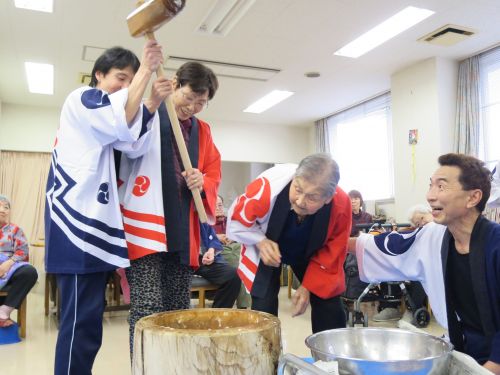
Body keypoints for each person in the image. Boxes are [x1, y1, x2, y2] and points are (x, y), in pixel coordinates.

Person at [44, 40, 172, 375]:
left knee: (89, 324)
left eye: (131, 79)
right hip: (75, 226)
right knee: (77, 325)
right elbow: (119, 119)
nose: (127, 86)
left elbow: (131, 142)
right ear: (98, 75)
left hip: (95, 227)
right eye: (120, 77)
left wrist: (154, 101)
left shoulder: (110, 112)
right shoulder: (83, 99)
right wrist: (145, 69)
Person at [351, 153, 500, 373]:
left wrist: (490, 368)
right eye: (431, 185)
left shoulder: (495, 244)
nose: (430, 196)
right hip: (462, 350)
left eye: (441, 187)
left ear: (473, 198)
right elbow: (388, 245)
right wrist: (331, 244)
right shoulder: (434, 236)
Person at [118, 61, 221, 355]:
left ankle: (173, 365)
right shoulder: (147, 113)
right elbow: (124, 146)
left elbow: (214, 173)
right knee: (148, 307)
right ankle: (143, 365)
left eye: (200, 102)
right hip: (146, 226)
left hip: (182, 228)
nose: (192, 106)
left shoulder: (203, 131)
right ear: (174, 84)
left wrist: (202, 180)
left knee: (177, 307)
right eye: (188, 97)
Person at [227, 153, 352, 333]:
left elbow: (334, 249)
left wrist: (309, 285)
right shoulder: (269, 187)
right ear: (294, 177)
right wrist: (260, 241)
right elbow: (237, 221)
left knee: (329, 303)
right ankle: (267, 357)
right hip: (268, 246)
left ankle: (330, 358)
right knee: (263, 304)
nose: (300, 201)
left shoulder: (340, 204)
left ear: (328, 198)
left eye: (312, 197)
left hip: (311, 253)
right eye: (298, 189)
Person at [0, 195, 38, 327]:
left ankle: (3, 312)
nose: (3, 210)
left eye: (6, 207)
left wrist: (7, 264)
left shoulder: (15, 230)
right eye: (0, 206)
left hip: (10, 268)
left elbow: (23, 251)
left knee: (30, 272)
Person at [195, 222, 241, 308]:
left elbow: (212, 237)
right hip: (181, 259)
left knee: (233, 275)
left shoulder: (200, 213)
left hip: (203, 259)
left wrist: (211, 250)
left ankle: (218, 315)